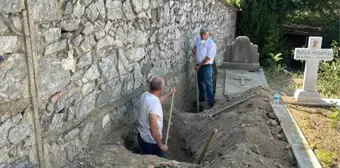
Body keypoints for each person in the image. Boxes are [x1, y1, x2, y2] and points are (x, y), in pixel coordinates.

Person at [137, 77, 176, 157]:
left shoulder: (145, 95)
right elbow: (153, 128)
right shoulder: (154, 104)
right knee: (160, 161)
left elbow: (156, 100)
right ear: (160, 89)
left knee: (146, 159)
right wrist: (161, 145)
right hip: (150, 142)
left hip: (141, 136)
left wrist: (169, 93)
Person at [192, 28, 217, 109]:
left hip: (206, 65)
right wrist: (194, 49)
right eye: (201, 34)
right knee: (200, 82)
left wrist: (199, 66)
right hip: (199, 64)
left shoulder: (211, 44)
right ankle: (202, 98)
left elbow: (208, 57)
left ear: (208, 34)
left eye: (204, 34)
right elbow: (195, 45)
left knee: (208, 83)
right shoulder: (198, 38)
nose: (202, 36)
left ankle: (210, 102)